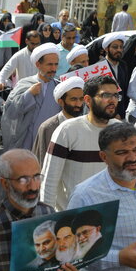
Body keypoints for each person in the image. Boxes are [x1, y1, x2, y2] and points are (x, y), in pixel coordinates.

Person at [68, 122, 136, 271]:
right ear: (104, 156)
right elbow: (73, 251)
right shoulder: (86, 195)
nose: (133, 158)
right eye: (122, 153)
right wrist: (118, 258)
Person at [41, 76, 121, 210]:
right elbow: (49, 180)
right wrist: (47, 217)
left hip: (111, 216)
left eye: (115, 95)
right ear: (88, 100)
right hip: (73, 218)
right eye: (106, 95)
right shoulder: (68, 130)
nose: (112, 100)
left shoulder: (120, 130)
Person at [1, 43, 61, 151]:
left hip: (51, 143)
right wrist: (28, 94)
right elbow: (10, 111)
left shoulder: (59, 87)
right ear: (38, 64)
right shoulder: (25, 84)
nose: (53, 68)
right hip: (27, 143)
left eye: (56, 64)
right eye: (49, 64)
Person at [33, 76, 85, 165]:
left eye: (81, 99)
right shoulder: (49, 127)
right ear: (61, 102)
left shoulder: (87, 125)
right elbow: (41, 160)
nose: (78, 104)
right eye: (73, 99)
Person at [103, 33, 129, 119]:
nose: (119, 50)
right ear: (107, 48)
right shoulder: (100, 66)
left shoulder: (123, 65)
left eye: (121, 47)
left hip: (121, 113)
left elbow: (124, 90)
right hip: (104, 113)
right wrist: (113, 114)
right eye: (115, 47)